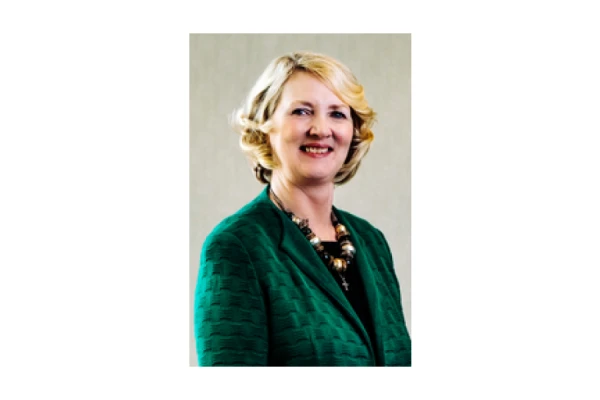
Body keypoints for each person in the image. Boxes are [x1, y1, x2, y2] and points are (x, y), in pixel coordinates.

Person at [193, 51, 411, 366]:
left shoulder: (372, 242)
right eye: (302, 111)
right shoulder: (236, 246)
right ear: (265, 126)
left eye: (337, 114)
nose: (321, 129)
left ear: (353, 130)